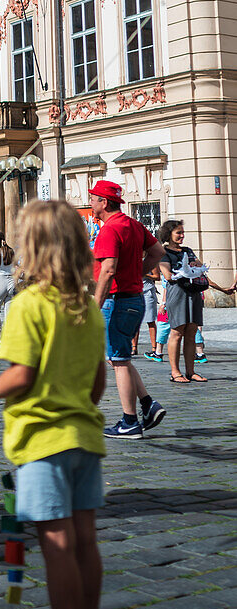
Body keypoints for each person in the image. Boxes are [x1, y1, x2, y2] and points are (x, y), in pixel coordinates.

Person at [0, 200, 106, 609]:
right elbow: (97, 383)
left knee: (57, 546)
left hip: (40, 443)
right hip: (86, 440)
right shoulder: (88, 309)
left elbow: (22, 374)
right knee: (86, 542)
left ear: (30, 249)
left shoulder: (28, 305)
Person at [90, 180, 166, 438]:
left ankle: (130, 421)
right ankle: (148, 404)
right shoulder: (133, 224)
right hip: (134, 298)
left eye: (93, 198)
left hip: (117, 300)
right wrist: (137, 272)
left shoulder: (110, 230)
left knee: (119, 361)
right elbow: (157, 252)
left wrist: (94, 306)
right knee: (119, 355)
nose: (91, 203)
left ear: (104, 202)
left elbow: (108, 270)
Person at [157, 219, 236, 383]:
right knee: (177, 333)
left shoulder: (188, 251)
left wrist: (223, 289)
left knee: (192, 332)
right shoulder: (164, 253)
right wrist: (187, 269)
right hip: (177, 294)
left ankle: (190, 371)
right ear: (169, 234)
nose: (182, 236)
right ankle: (175, 372)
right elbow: (168, 276)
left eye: (182, 232)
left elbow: (203, 273)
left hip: (193, 295)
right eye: (178, 232)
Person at [137, 267, 160, 359]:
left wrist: (145, 274)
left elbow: (157, 277)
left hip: (147, 292)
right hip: (135, 291)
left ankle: (155, 348)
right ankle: (133, 347)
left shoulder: (150, 260)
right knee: (134, 321)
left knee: (150, 321)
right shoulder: (134, 258)